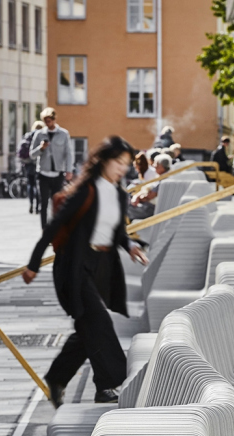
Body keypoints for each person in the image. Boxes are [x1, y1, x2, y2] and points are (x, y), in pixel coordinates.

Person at [23, 136, 148, 408]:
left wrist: (129, 245)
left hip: (101, 265)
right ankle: (120, 378)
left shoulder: (117, 193)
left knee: (87, 328)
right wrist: (34, 264)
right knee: (98, 320)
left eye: (126, 164)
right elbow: (54, 227)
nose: (121, 169)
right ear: (103, 161)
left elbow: (116, 231)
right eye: (117, 162)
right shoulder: (86, 190)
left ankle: (60, 379)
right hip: (74, 266)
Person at [30, 107, 74, 229]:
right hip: (43, 174)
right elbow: (32, 154)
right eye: (46, 121)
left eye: (49, 121)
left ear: (54, 120)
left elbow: (69, 153)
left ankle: (55, 230)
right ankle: (45, 230)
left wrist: (69, 170)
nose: (48, 123)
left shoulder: (63, 134)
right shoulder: (39, 134)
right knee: (43, 203)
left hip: (57, 174)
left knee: (56, 203)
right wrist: (41, 148)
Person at [129, 153, 171, 219]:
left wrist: (137, 197)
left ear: (161, 167)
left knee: (124, 209)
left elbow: (149, 196)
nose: (153, 166)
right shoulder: (160, 177)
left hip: (150, 209)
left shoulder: (163, 180)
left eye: (156, 164)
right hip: (149, 206)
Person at [18, 120, 43, 214]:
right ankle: (37, 206)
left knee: (30, 184)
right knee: (38, 185)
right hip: (38, 163)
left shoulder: (27, 135)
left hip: (28, 163)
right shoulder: (41, 136)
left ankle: (31, 204)